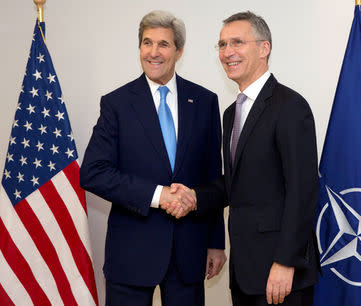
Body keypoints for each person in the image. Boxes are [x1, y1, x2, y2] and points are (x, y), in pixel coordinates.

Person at [165, 11, 320, 306]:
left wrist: (286, 262)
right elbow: (237, 184)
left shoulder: (290, 106)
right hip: (245, 273)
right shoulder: (231, 113)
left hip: (280, 274)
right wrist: (194, 196)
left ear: (264, 48)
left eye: (237, 42)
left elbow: (303, 191)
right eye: (222, 45)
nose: (227, 52)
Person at [80, 10, 226, 306]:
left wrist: (215, 243)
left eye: (163, 44)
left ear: (179, 51)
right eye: (147, 43)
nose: (154, 52)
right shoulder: (116, 104)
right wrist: (159, 196)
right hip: (131, 255)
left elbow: (213, 179)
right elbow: (93, 172)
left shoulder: (205, 101)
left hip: (189, 252)